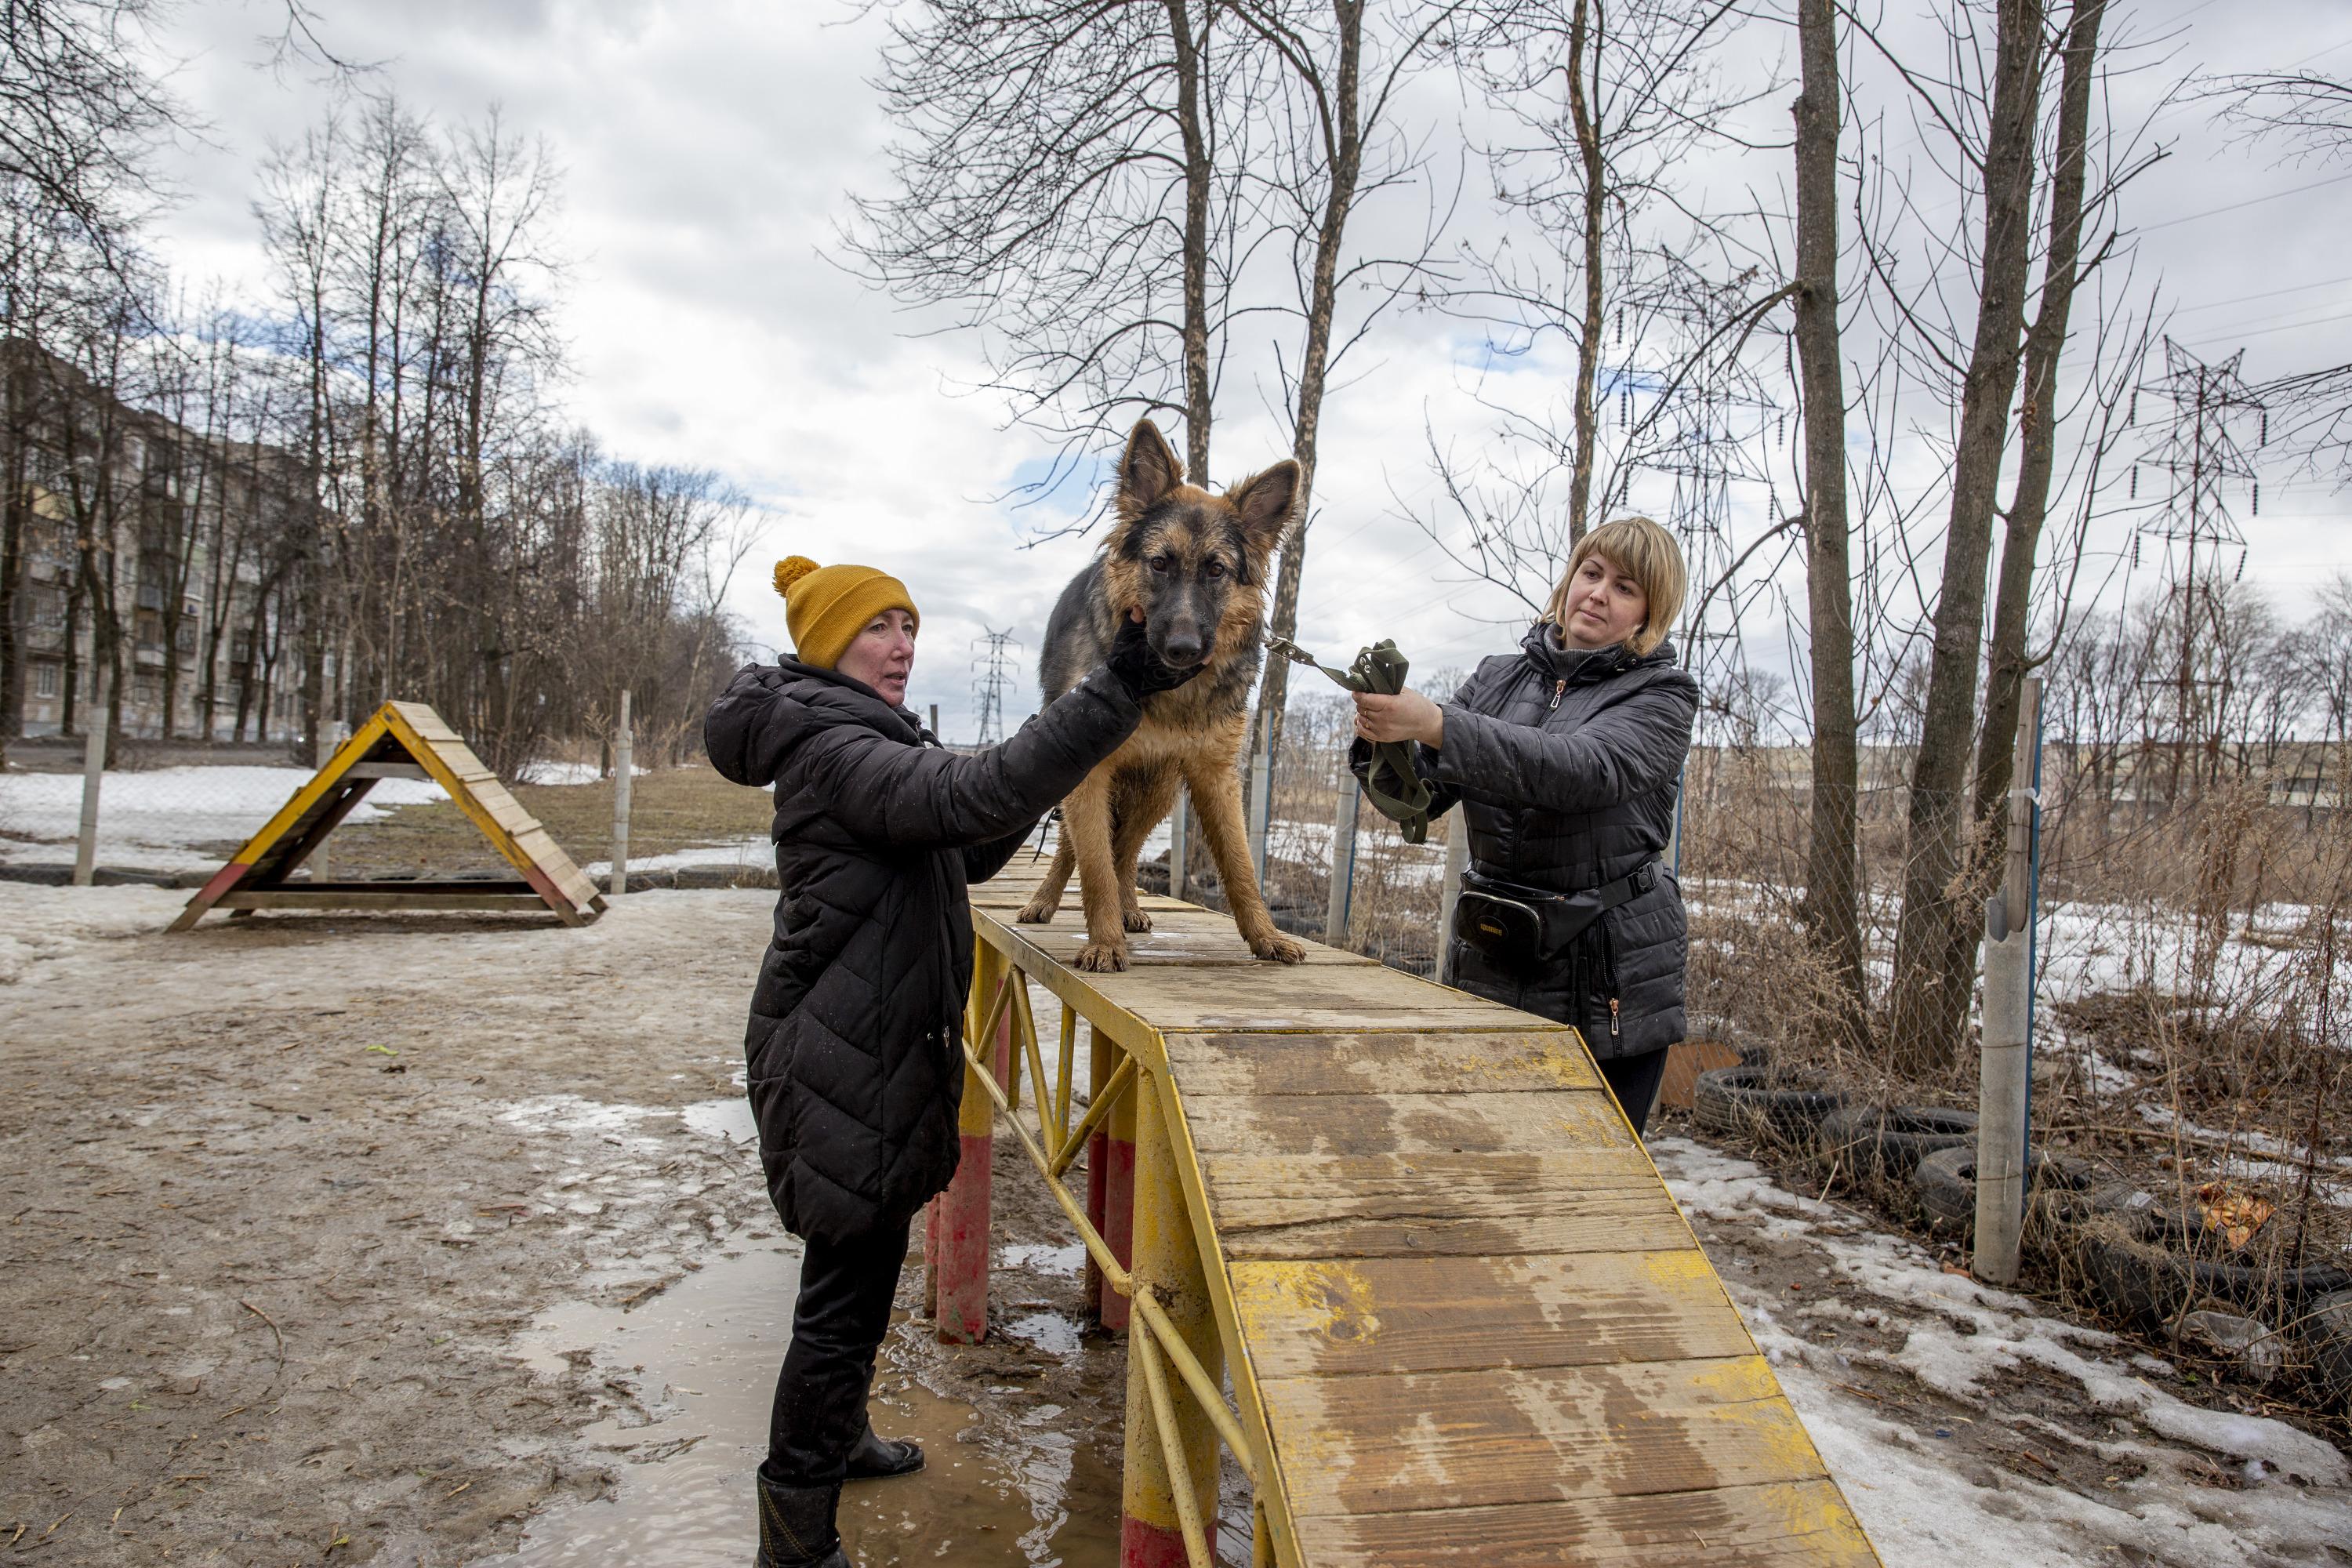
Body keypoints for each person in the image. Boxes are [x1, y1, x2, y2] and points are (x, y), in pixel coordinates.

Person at [704, 554, 1199, 1568]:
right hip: (841, 1055)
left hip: (866, 1043)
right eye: (879, 627)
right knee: (840, 1306)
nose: (902, 645)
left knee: (858, 1279)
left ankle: (837, 1440)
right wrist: (1113, 690)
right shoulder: (834, 745)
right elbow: (970, 792)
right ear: (827, 643)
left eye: (909, 626)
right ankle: (793, 1539)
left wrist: (1046, 757)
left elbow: (967, 838)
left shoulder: (862, 736)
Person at [1350, 515, 1697, 1138]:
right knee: (1482, 1158)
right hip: (1494, 960)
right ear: (1568, 582)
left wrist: (1438, 726)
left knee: (1594, 1175)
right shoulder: (1498, 676)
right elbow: (1426, 797)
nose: (1597, 593)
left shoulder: (1662, 696)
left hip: (1605, 981)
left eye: (1625, 587)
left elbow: (1584, 771)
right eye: (1591, 574)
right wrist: (1383, 741)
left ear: (1650, 613)